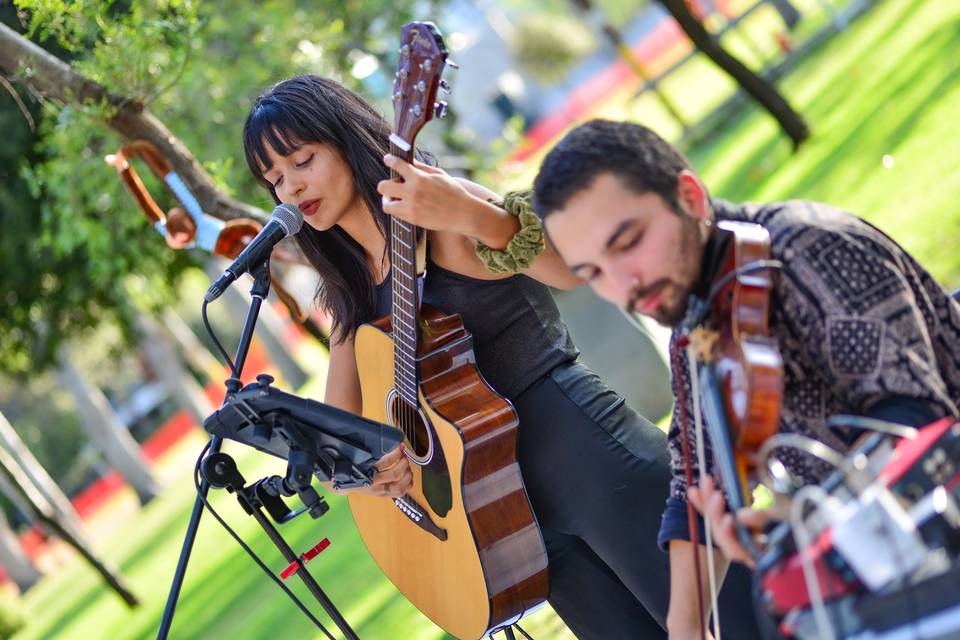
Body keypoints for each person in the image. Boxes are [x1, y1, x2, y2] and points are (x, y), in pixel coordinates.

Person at [241, 75, 755, 639]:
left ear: (344, 137)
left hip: (592, 461)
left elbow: (565, 270)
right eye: (274, 180)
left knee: (734, 627)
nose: (290, 188)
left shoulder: (436, 206)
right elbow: (342, 432)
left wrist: (468, 211)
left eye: (302, 160)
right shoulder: (351, 291)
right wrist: (366, 475)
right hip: (506, 520)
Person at [531, 118, 960, 637]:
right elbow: (694, 484)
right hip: (891, 551)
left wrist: (805, 525)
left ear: (688, 197)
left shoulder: (809, 249)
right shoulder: (696, 324)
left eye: (628, 243)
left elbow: (919, 425)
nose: (623, 285)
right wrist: (687, 627)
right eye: (593, 272)